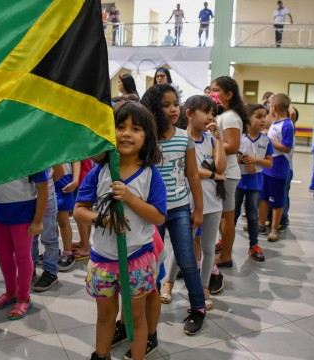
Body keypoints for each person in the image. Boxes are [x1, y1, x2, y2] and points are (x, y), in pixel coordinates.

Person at [74, 101, 166, 360]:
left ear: (146, 136)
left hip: (137, 259)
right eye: (119, 126)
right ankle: (101, 355)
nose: (126, 133)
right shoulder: (99, 172)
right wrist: (101, 219)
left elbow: (158, 217)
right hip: (102, 260)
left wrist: (129, 198)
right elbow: (79, 210)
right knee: (105, 316)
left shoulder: (150, 175)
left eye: (135, 128)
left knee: (137, 317)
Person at [141, 84, 207, 336]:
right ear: (154, 108)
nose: (172, 109)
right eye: (166, 104)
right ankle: (151, 308)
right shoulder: (146, 138)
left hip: (180, 208)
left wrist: (198, 209)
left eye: (175, 104)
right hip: (152, 211)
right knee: (152, 264)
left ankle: (198, 307)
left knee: (187, 260)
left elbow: (192, 174)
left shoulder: (184, 137)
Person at [184, 95, 226, 309]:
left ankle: (204, 285)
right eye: (205, 112)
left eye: (212, 113)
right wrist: (212, 176)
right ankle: (169, 283)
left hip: (213, 201)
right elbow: (189, 170)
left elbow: (221, 167)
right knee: (184, 245)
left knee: (209, 248)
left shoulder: (210, 139)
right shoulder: (183, 139)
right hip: (189, 201)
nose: (210, 117)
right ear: (189, 114)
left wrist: (218, 138)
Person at [0, 171, 48, 320]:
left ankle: (23, 297)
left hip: (23, 212)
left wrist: (37, 220)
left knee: (22, 256)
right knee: (3, 255)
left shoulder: (31, 156)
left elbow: (43, 187)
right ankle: (11, 292)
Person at [211, 76, 248, 271]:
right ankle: (223, 250)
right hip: (222, 171)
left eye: (216, 90)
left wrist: (211, 145)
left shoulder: (230, 117)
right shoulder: (223, 114)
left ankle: (225, 257)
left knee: (226, 216)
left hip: (228, 173)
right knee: (222, 215)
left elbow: (232, 146)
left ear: (228, 94)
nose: (212, 93)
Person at [235, 104, 273, 262]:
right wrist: (243, 160)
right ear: (247, 118)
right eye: (258, 116)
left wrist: (255, 160)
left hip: (255, 184)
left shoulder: (266, 140)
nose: (263, 120)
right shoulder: (239, 138)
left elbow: (269, 163)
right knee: (232, 215)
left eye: (264, 116)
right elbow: (232, 157)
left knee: (252, 215)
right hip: (237, 182)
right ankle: (224, 241)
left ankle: (254, 245)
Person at [259, 93, 294, 242]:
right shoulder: (275, 123)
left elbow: (286, 147)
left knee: (277, 201)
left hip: (278, 169)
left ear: (273, 107)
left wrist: (269, 140)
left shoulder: (287, 125)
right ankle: (260, 224)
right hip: (268, 168)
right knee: (264, 198)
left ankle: (274, 228)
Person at [31, 165, 64, 292]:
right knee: (30, 237)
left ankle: (50, 271)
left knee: (49, 236)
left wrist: (46, 184)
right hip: (27, 198)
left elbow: (59, 172)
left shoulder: (47, 148)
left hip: (47, 197)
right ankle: (30, 268)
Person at [55, 162, 81, 271]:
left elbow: (75, 160)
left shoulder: (66, 144)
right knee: (49, 222)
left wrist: (75, 181)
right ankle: (53, 251)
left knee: (63, 219)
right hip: (46, 177)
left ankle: (68, 252)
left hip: (64, 179)